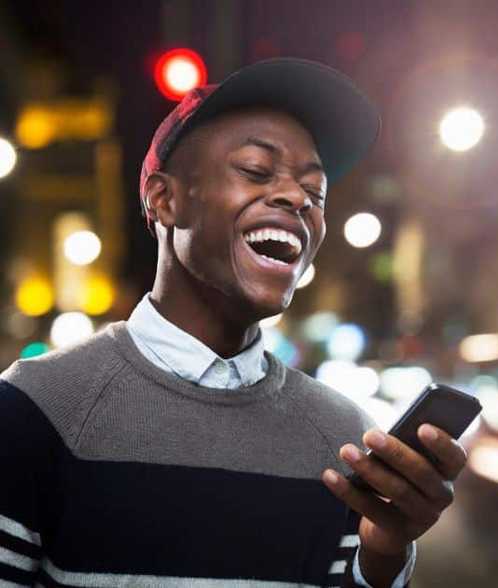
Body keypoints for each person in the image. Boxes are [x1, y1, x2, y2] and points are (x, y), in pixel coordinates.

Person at [0, 58, 466, 588]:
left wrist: (384, 554)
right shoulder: (33, 411)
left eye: (316, 194)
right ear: (165, 199)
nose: (297, 200)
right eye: (255, 171)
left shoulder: (346, 441)